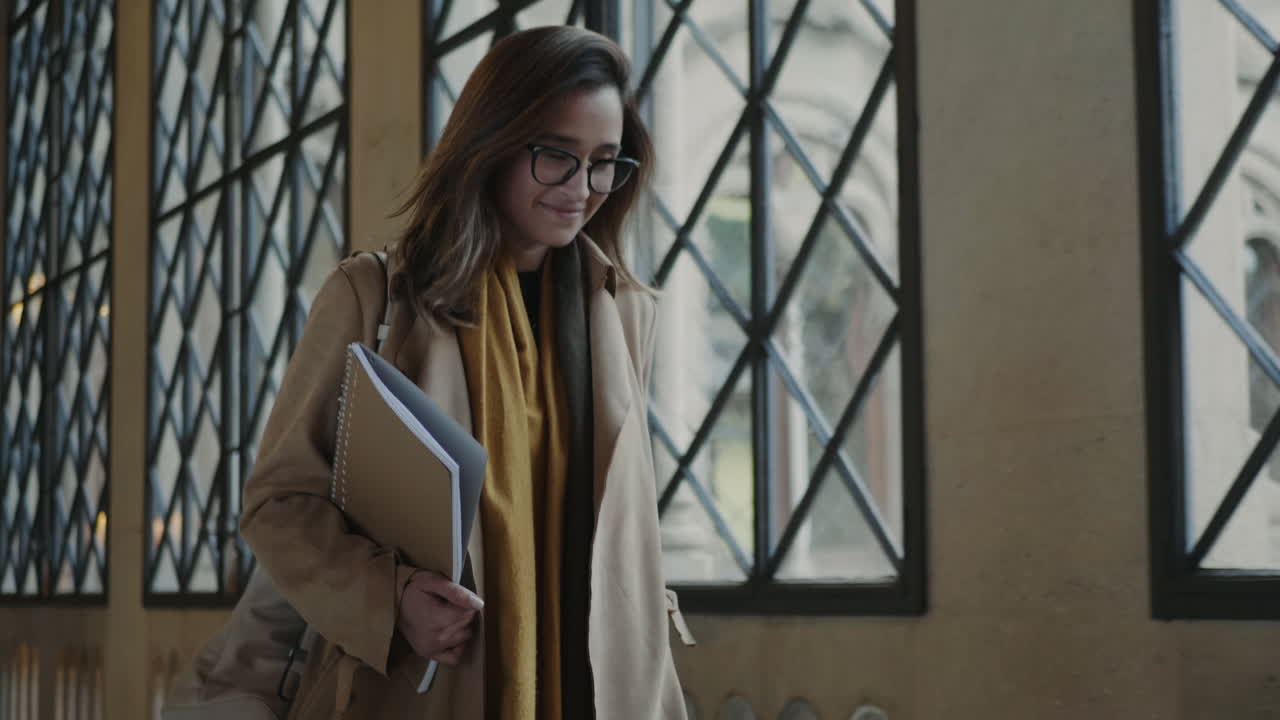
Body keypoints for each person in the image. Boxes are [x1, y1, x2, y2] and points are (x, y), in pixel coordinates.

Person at [239, 25, 694, 719]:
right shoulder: (374, 298)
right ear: (492, 143)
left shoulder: (623, 312)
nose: (583, 188)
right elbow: (278, 502)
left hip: (595, 688)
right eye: (557, 156)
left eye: (605, 162)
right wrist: (389, 599)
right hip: (424, 682)